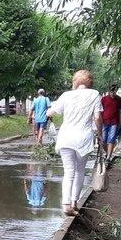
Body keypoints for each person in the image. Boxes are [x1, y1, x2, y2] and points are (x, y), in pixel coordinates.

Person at [47, 69, 102, 216]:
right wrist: (100, 134)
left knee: (68, 171)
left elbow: (50, 112)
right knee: (79, 171)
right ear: (90, 82)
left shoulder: (66, 95)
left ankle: (66, 205)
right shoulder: (95, 94)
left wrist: (50, 111)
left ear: (75, 82)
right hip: (84, 138)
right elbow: (97, 117)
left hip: (66, 137)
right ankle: (74, 203)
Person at [99, 84, 121, 165]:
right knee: (103, 140)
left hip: (114, 122)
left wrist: (120, 122)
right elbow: (100, 111)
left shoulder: (120, 99)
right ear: (109, 91)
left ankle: (108, 157)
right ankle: (107, 153)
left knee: (111, 139)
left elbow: (120, 112)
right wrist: (99, 122)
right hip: (104, 122)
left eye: (114, 91)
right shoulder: (103, 99)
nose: (112, 93)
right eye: (111, 91)